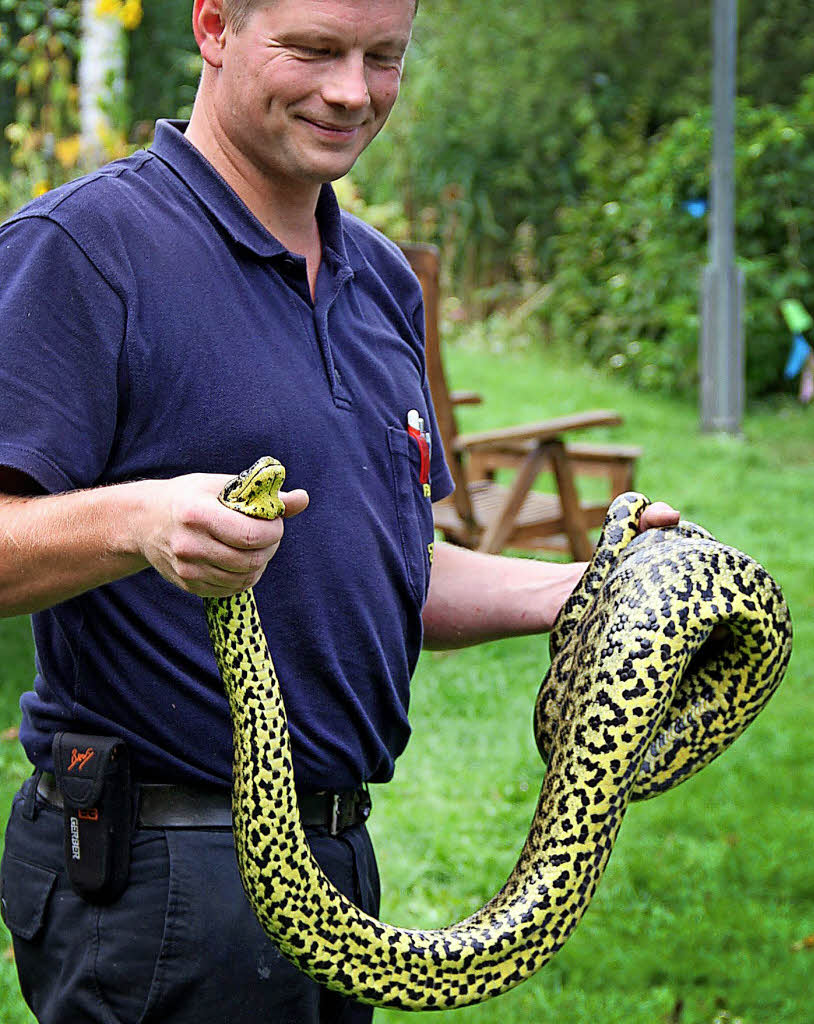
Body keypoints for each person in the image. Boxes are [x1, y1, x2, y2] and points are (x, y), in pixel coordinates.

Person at [0, 1, 680, 1022]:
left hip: (334, 860)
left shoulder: (379, 279)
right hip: (162, 870)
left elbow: (389, 566)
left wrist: (585, 590)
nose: (351, 92)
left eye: (383, 57)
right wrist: (135, 520)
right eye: (314, 50)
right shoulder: (84, 249)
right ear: (215, 26)